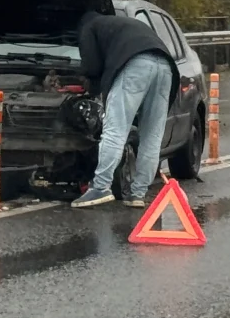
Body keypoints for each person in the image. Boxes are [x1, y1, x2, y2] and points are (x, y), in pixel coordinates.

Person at [72, 11, 180, 209]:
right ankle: (138, 193)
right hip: (165, 66)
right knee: (152, 136)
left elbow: (92, 67)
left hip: (136, 65)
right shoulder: (117, 24)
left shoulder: (89, 27)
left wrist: (91, 88)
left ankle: (101, 187)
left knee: (115, 130)